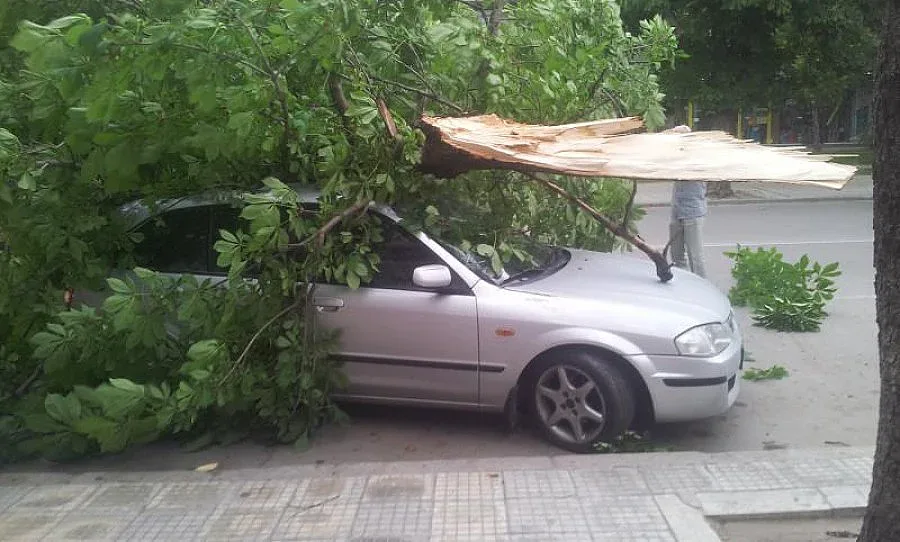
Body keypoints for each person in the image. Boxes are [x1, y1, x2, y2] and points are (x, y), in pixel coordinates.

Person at [669, 180, 708, 278]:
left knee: (695, 257)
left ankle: (701, 286)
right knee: (676, 255)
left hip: (693, 212)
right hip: (677, 210)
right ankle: (683, 284)